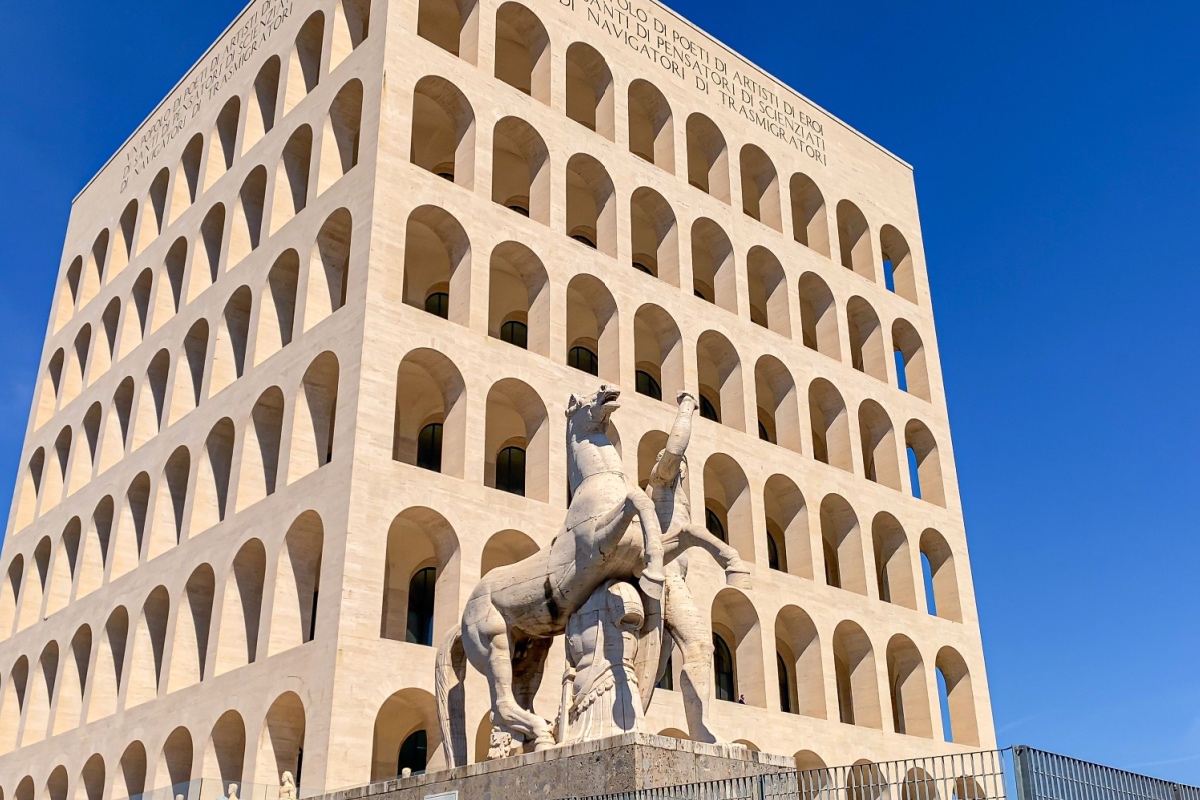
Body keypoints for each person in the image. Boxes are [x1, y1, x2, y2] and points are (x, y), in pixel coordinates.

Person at [645, 391, 751, 743]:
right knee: (653, 663)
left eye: (681, 465)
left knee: (700, 647)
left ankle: (700, 730)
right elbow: (674, 448)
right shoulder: (659, 487)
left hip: (677, 584)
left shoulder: (681, 498)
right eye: (670, 461)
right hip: (657, 580)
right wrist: (687, 407)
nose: (677, 464)